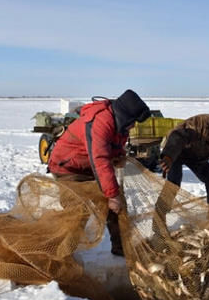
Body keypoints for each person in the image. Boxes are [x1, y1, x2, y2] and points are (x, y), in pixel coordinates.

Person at [48, 89, 151, 256]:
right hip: (68, 167)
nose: (133, 126)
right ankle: (61, 255)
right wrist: (111, 195)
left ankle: (121, 247)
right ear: (124, 115)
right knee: (77, 211)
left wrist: (119, 156)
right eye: (132, 122)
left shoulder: (120, 124)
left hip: (88, 166)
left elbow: (114, 145)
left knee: (118, 207)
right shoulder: (101, 121)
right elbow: (100, 158)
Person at [159, 114, 209, 209]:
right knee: (173, 184)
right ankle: (159, 214)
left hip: (196, 156)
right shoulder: (203, 125)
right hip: (176, 152)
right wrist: (168, 156)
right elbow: (179, 136)